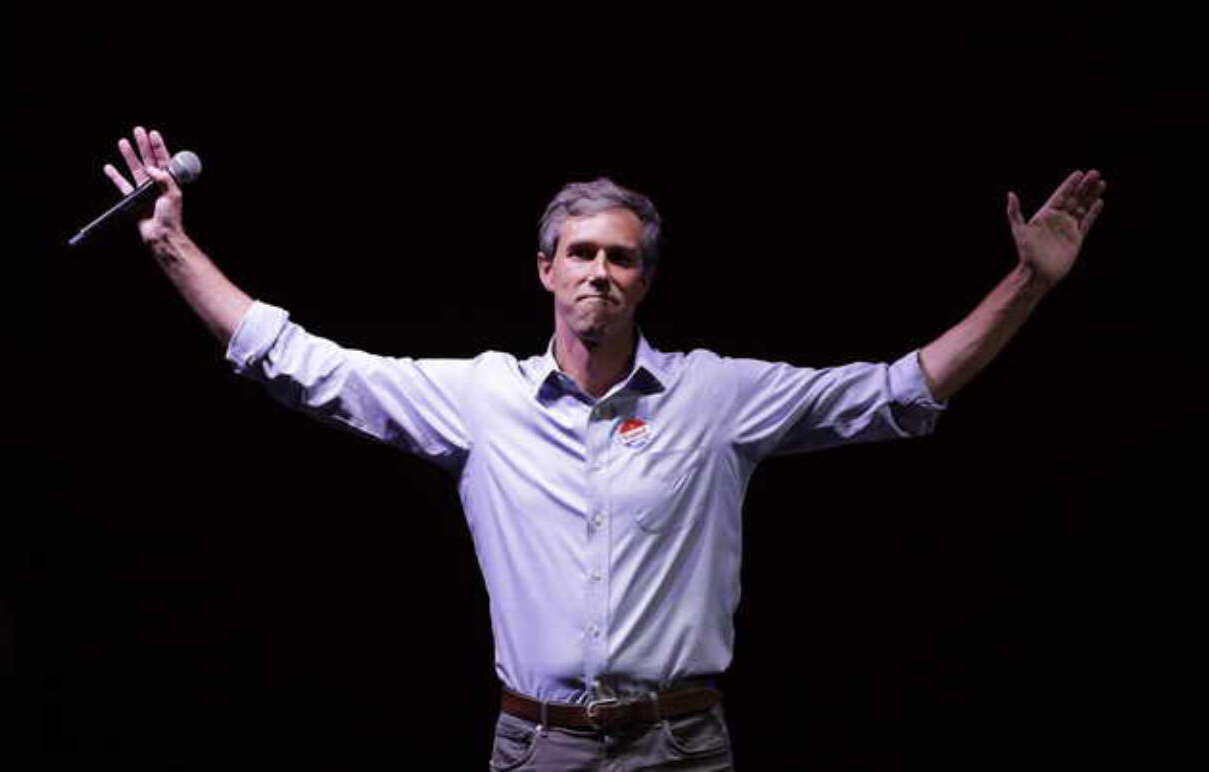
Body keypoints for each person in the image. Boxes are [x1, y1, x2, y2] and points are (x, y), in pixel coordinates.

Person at [100, 126, 1106, 770]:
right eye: (580, 253)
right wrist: (178, 250)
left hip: (679, 743)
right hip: (536, 744)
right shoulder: (482, 400)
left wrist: (1030, 285)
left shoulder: (714, 397)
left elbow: (896, 391)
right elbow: (305, 365)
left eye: (620, 257)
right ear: (545, 270)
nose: (600, 272)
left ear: (644, 279)